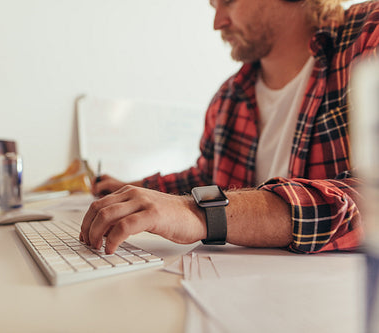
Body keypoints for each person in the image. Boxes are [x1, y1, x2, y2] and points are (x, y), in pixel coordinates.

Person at [80, 0, 379, 255]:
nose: (217, 22)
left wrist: (203, 213)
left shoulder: (369, 34)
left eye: (229, 2)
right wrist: (133, 189)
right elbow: (205, 178)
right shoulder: (229, 98)